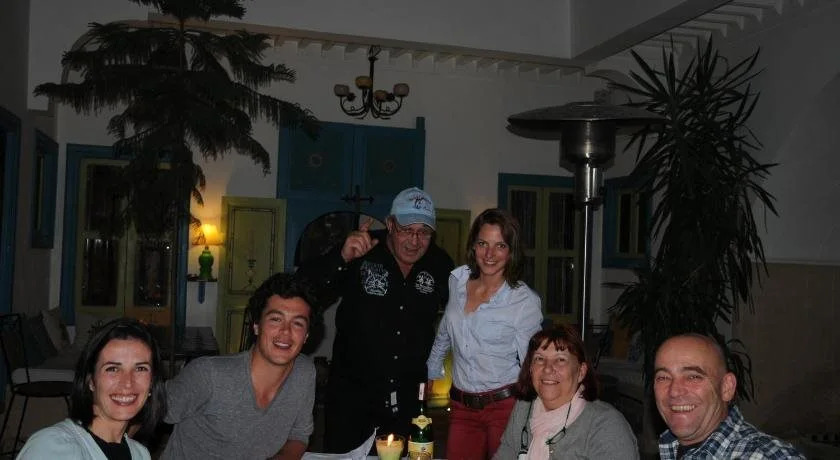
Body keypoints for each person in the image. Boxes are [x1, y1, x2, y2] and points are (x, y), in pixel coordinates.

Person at [297, 186, 454, 453]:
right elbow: (304, 291)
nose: (415, 241)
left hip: (407, 401)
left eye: (424, 232)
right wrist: (341, 258)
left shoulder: (439, 264)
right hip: (352, 399)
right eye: (407, 229)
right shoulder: (363, 250)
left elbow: (461, 317)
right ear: (390, 224)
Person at [160, 273, 319, 459]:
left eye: (298, 323)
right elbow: (148, 410)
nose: (286, 331)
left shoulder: (304, 374)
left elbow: (299, 435)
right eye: (276, 319)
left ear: (306, 336)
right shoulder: (209, 375)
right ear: (256, 326)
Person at [426, 208, 543, 459]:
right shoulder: (457, 280)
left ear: (511, 251)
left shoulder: (523, 301)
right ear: (473, 246)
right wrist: (432, 370)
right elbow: (446, 329)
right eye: (483, 244)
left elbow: (533, 363)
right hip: (461, 406)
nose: (489, 254)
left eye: (500, 245)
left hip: (504, 408)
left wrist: (539, 412)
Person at [18, 318, 166, 459]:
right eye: (112, 369)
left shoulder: (140, 454)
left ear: (152, 382)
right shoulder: (54, 447)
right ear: (91, 381)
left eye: (140, 368)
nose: (127, 382)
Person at [494, 325, 638, 459]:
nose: (547, 368)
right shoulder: (524, 408)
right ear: (531, 368)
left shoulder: (606, 425)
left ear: (581, 372)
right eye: (539, 358)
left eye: (560, 359)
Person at [653, 334, 805, 459]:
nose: (674, 391)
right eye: (663, 377)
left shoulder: (765, 456)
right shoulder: (671, 448)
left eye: (693, 377)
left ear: (726, 388)